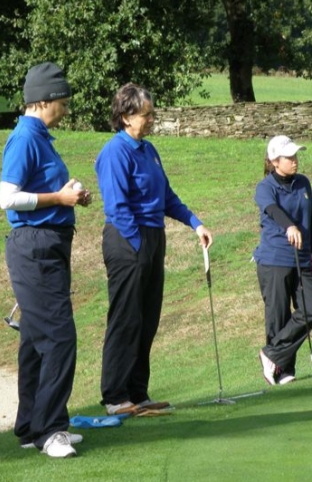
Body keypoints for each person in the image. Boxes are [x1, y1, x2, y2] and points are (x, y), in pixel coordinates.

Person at [94, 83, 213, 415]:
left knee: (147, 319)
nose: (152, 119)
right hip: (126, 240)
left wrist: (195, 223)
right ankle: (116, 397)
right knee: (126, 318)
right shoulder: (114, 152)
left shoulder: (149, 151)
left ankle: (137, 392)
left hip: (151, 239)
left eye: (151, 113)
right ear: (127, 116)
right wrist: (137, 246)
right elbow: (117, 206)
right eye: (147, 114)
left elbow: (167, 197)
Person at [0, 62, 92, 458]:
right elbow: (8, 198)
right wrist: (59, 199)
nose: (66, 110)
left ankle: (29, 425)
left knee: (36, 341)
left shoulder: (41, 136)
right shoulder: (25, 138)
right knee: (58, 338)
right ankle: (50, 429)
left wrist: (71, 195)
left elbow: (41, 189)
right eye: (63, 103)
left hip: (47, 244)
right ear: (44, 101)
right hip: (34, 247)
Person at [253, 135, 312, 385]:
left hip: (302, 258)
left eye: (295, 156)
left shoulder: (303, 183)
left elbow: (311, 218)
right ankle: (283, 371)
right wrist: (289, 227)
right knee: (278, 316)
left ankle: (271, 355)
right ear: (274, 161)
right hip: (274, 260)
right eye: (289, 157)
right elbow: (272, 210)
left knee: (311, 310)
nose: (295, 161)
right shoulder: (265, 187)